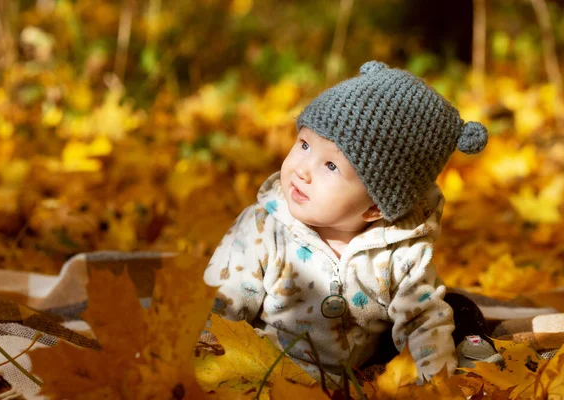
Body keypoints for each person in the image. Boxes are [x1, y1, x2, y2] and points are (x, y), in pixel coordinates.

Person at [202, 61, 497, 383]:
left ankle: (474, 359)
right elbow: (222, 302)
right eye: (304, 145)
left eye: (330, 166)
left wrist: (433, 385)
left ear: (375, 208)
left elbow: (419, 321)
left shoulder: (400, 249)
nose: (302, 169)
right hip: (274, 370)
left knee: (451, 309)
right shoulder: (263, 228)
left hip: (368, 367)